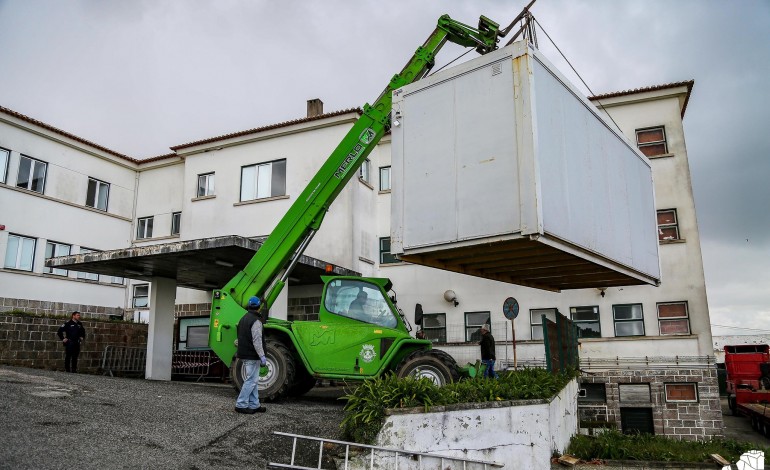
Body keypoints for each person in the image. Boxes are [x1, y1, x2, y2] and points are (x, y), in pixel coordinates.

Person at [235, 296, 268, 414]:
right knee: (251, 381)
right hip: (252, 356)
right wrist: (262, 356)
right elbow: (257, 341)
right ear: (259, 307)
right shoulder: (256, 321)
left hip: (244, 354)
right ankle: (241, 404)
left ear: (248, 306)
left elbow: (239, 338)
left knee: (253, 381)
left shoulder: (243, 319)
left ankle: (255, 405)